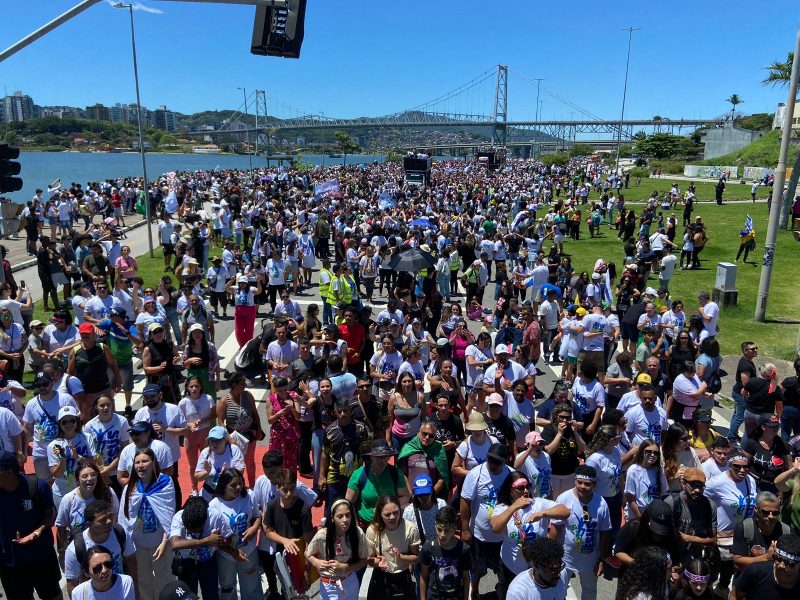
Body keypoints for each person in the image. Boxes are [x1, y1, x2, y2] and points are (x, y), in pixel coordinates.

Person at [0, 450, 62, 600]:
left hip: (41, 556)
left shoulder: (37, 486)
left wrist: (36, 532)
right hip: (10, 563)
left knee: (52, 594)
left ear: (8, 472)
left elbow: (49, 513)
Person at [489, 470, 569, 583]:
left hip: (537, 566)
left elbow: (565, 511)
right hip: (511, 566)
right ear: (511, 491)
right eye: (520, 488)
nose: (526, 491)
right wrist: (513, 508)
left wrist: (542, 514)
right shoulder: (503, 508)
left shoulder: (538, 503)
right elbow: (496, 528)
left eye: (528, 486)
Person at [117, 448, 176, 598]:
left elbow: (168, 515)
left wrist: (164, 542)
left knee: (164, 579)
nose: (140, 465)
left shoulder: (165, 483)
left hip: (161, 542)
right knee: (143, 581)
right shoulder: (131, 486)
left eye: (144, 461)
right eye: (137, 462)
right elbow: (124, 517)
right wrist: (126, 544)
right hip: (138, 543)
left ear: (153, 463)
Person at [459, 443, 513, 600]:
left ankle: (502, 593)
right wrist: (464, 529)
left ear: (506, 461)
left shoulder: (512, 475)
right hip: (479, 537)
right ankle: (474, 591)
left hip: (503, 538)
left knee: (504, 572)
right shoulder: (475, 474)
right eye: (490, 460)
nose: (493, 465)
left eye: (498, 462)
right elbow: (465, 502)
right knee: (477, 569)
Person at [550, 464, 611, 600]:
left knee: (589, 591)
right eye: (579, 482)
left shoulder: (602, 504)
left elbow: (605, 533)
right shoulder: (563, 499)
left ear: (594, 485)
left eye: (587, 484)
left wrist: (602, 559)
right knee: (558, 590)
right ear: (575, 481)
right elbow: (555, 528)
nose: (582, 486)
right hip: (565, 557)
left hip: (590, 559)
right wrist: (551, 555)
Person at [704, 452, 758, 598]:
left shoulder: (750, 481)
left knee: (736, 569)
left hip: (743, 534)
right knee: (719, 567)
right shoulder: (717, 482)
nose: (742, 470)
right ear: (729, 466)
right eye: (737, 467)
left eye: (746, 467)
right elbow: (699, 496)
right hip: (723, 536)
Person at [208, 469, 263, 600]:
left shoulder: (249, 495)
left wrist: (254, 528)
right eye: (233, 485)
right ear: (223, 486)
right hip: (226, 556)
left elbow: (257, 515)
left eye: (240, 483)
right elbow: (214, 539)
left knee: (252, 587)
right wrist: (232, 552)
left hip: (248, 552)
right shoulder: (214, 505)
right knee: (227, 588)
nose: (238, 487)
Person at [169, 495, 236, 600]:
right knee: (187, 596)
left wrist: (219, 540)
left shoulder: (215, 515)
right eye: (189, 530)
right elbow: (175, 544)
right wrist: (206, 541)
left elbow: (229, 539)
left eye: (197, 530)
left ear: (205, 520)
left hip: (208, 562)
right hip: (187, 562)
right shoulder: (179, 517)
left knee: (211, 595)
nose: (193, 532)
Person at [262, 468, 315, 594]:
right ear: (277, 488)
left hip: (300, 558)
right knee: (287, 590)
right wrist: (285, 541)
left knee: (299, 591)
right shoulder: (272, 506)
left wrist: (307, 571)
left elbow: (309, 543)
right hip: (282, 557)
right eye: (285, 490)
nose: (289, 494)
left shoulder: (303, 509)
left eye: (292, 489)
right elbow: (268, 531)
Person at [305, 498, 369, 600]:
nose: (345, 520)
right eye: (340, 516)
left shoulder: (357, 533)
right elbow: (308, 553)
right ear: (332, 518)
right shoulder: (322, 535)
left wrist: (345, 567)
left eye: (348, 515)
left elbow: (365, 560)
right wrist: (316, 562)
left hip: (350, 582)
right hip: (329, 585)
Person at [319, 398, 373, 516]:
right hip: (334, 476)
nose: (343, 414)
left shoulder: (361, 429)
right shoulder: (329, 430)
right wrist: (322, 476)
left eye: (345, 411)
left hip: (356, 475)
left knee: (355, 507)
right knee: (332, 508)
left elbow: (367, 453)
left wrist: (369, 475)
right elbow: (325, 454)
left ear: (350, 411)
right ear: (335, 412)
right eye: (339, 411)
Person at [23, 369, 80, 480]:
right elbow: (28, 429)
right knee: (44, 484)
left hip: (64, 450)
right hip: (41, 452)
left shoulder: (65, 399)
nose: (42, 387)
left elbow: (77, 421)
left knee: (68, 481)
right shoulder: (31, 404)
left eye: (45, 384)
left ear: (52, 382)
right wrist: (24, 450)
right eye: (38, 385)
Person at [366, 494, 420, 600]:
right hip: (381, 577)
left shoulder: (410, 528)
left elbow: (416, 557)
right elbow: (369, 560)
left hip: (402, 577)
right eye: (387, 514)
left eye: (396, 512)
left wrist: (401, 557)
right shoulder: (373, 530)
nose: (392, 517)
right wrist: (378, 562)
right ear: (380, 514)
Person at [663, 467, 718, 570]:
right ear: (683, 483)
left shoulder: (709, 506)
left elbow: (712, 540)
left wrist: (687, 538)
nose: (697, 490)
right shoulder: (672, 503)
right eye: (693, 485)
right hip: (671, 557)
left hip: (694, 560)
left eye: (701, 486)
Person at [47, 405, 100, 509]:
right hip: (62, 492)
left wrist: (78, 457)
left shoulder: (86, 437)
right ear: (59, 424)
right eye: (64, 422)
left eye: (72, 420)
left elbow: (94, 462)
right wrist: (63, 460)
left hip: (86, 490)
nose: (69, 424)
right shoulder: (53, 445)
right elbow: (56, 474)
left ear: (77, 421)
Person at [346, 440, 408, 528]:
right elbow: (349, 502)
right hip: (366, 525)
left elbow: (405, 496)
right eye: (379, 457)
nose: (383, 460)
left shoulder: (395, 473)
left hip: (390, 524)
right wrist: (355, 523)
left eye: (386, 457)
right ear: (372, 457)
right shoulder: (359, 474)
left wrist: (389, 507)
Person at [67, 321, 121, 422]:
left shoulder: (103, 348)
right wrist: (71, 390)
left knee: (109, 416)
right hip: (84, 393)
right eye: (83, 334)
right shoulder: (75, 351)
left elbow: (113, 365)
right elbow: (70, 372)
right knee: (86, 419)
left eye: (87, 333)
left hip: (103, 389)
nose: (85, 336)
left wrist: (118, 381)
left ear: (93, 334)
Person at [217, 372, 263, 487]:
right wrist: (229, 438)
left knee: (249, 461)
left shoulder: (248, 396)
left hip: (249, 433)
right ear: (234, 385)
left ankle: (252, 485)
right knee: (235, 462)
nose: (245, 385)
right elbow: (221, 422)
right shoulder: (224, 401)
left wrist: (259, 428)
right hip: (234, 435)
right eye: (242, 383)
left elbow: (254, 413)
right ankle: (237, 484)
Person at [418, 505, 471, 600]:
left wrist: (466, 597)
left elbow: (466, 577)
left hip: (455, 595)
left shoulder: (463, 549)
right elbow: (423, 575)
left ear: (455, 528)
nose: (442, 534)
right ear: (435, 525)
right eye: (439, 529)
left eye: (447, 531)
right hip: (435, 595)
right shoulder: (428, 547)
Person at [732, 533, 800, 598]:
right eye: (777, 558)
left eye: (789, 563)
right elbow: (734, 596)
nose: (781, 565)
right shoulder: (755, 572)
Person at [541, 402, 586, 498]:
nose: (565, 420)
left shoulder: (572, 429)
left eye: (568, 417)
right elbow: (549, 450)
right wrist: (560, 434)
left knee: (568, 500)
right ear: (556, 416)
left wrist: (575, 433)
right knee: (554, 500)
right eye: (562, 417)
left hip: (570, 472)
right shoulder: (549, 428)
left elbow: (582, 448)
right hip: (554, 473)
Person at [397, 420, 450, 500]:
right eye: (424, 434)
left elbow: (442, 477)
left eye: (431, 435)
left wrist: (431, 496)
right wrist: (410, 494)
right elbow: (402, 474)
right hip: (411, 497)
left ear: (435, 436)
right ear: (419, 433)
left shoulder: (438, 450)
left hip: (431, 498)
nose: (427, 437)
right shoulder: (409, 447)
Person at [194, 426, 246, 501]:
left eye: (217, 440)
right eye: (211, 440)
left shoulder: (233, 450)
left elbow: (240, 472)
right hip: (209, 492)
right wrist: (207, 472)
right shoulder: (205, 452)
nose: (214, 443)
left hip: (228, 493)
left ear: (225, 440)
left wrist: (226, 475)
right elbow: (197, 477)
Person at [624, 438, 668, 520]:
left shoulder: (659, 470)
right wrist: (640, 518)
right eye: (648, 452)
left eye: (656, 453)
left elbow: (664, 493)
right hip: (637, 515)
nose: (652, 455)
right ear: (642, 452)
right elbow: (630, 498)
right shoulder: (633, 470)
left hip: (654, 514)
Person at [70, 545, 136, 600]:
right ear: (87, 572)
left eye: (108, 564)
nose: (104, 570)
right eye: (97, 568)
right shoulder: (78, 593)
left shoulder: (125, 582)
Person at [729, 341, 758, 442]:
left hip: (739, 393)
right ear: (745, 351)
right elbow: (746, 385)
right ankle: (731, 438)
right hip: (741, 395)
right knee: (740, 417)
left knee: (737, 415)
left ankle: (732, 434)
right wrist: (749, 396)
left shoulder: (748, 361)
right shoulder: (745, 366)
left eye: (756, 348)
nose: (755, 350)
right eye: (753, 349)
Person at [513, 430, 553, 499]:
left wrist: (551, 492)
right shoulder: (522, 456)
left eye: (540, 443)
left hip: (546, 495)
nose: (538, 446)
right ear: (527, 445)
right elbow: (516, 466)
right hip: (530, 497)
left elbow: (548, 477)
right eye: (534, 445)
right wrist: (529, 450)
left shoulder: (546, 456)